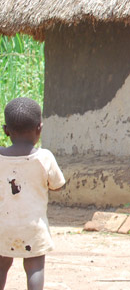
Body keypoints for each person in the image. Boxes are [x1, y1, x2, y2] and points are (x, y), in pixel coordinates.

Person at [0, 97, 65, 290]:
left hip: (3, 226)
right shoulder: (44, 157)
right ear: (40, 128)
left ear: (6, 130)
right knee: (35, 267)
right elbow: (58, 185)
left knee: (2, 266)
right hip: (33, 228)